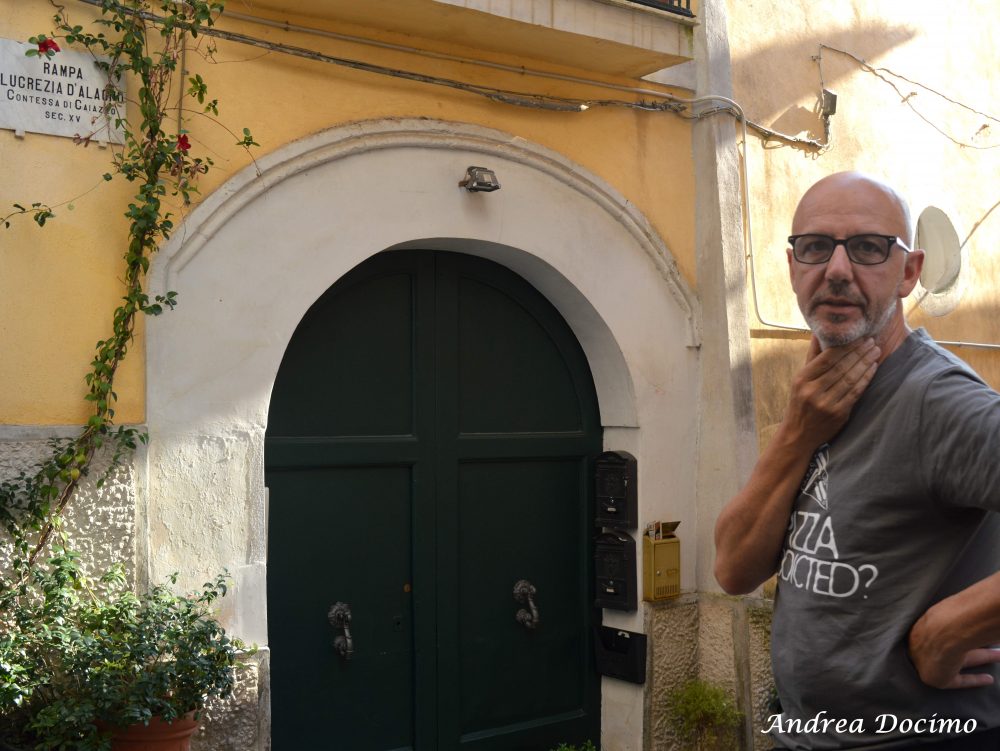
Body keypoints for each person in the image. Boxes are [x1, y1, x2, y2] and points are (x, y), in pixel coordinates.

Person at [714, 172, 1000, 750]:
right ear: (793, 266)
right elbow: (733, 570)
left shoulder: (937, 400)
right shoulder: (819, 396)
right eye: (816, 247)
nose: (837, 270)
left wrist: (950, 629)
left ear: (909, 273)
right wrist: (798, 430)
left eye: (869, 248)